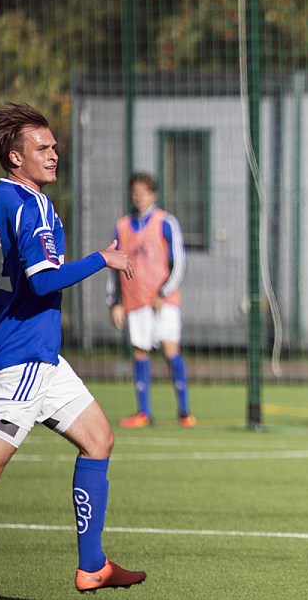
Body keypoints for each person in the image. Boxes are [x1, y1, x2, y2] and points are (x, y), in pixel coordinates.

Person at [0, 103, 147, 592]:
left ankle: (93, 565)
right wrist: (102, 258)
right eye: (42, 148)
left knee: (99, 438)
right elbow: (43, 279)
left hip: (39, 356)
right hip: (24, 357)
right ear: (16, 158)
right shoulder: (30, 204)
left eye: (54, 146)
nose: (54, 154)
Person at [107, 172, 194, 429]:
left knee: (170, 349)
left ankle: (184, 412)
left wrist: (163, 292)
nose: (139, 196)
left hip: (163, 300)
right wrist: (115, 303)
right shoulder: (122, 226)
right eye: (135, 192)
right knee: (140, 351)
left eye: (144, 192)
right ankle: (144, 412)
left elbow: (179, 263)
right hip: (134, 300)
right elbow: (113, 266)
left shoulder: (166, 222)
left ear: (153, 194)